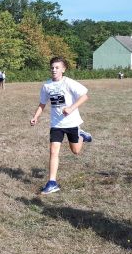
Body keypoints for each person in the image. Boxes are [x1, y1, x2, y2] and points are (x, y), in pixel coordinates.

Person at [30, 56, 92, 194]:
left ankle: (81, 135)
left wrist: (71, 108)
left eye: (57, 67)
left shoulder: (68, 83)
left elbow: (85, 96)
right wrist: (35, 117)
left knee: (76, 151)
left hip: (72, 122)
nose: (54, 70)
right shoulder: (47, 86)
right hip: (56, 124)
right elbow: (42, 103)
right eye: (52, 67)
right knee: (53, 151)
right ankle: (52, 182)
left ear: (63, 69)